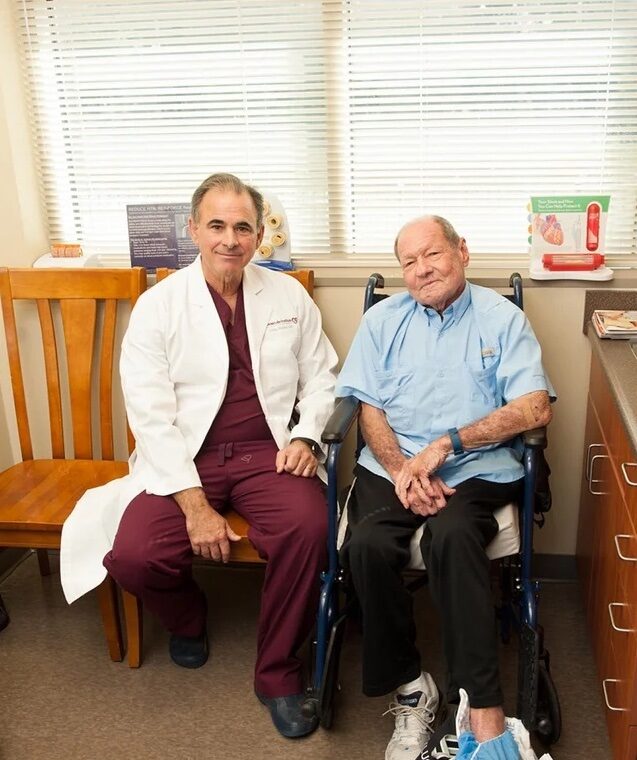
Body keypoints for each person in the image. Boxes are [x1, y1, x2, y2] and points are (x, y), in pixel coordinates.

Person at [60, 172, 338, 739]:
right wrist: (193, 506)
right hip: (187, 458)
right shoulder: (158, 306)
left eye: (243, 227)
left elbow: (323, 377)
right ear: (194, 230)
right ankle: (188, 618)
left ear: (260, 234)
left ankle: (279, 673)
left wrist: (308, 436)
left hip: (270, 452)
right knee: (135, 555)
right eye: (217, 225)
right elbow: (150, 415)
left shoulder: (288, 295)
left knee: (310, 528)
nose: (230, 240)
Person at [336, 216, 553, 760]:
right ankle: (412, 688)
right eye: (409, 262)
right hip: (395, 466)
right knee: (365, 545)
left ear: (462, 251)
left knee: (452, 537)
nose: (421, 269)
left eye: (432, 254)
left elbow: (533, 406)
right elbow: (369, 409)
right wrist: (404, 466)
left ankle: (482, 709)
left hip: (475, 468)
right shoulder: (383, 321)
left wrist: (446, 447)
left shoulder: (502, 319)